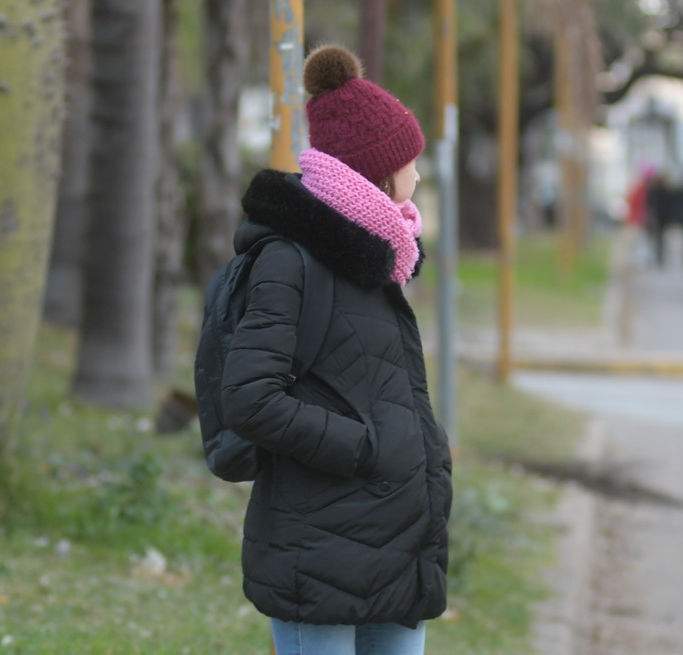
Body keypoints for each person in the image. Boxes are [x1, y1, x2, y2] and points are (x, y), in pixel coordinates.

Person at [218, 44, 452, 655]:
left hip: (396, 552)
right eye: (410, 161)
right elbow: (249, 397)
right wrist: (361, 446)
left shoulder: (379, 263)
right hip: (316, 554)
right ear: (376, 171)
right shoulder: (290, 261)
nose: (419, 175)